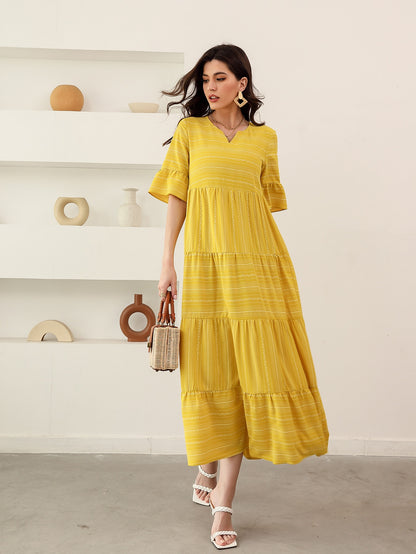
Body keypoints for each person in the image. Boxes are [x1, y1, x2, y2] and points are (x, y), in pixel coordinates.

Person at [148, 43, 329, 550]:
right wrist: (167, 262)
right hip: (207, 267)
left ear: (242, 83)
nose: (210, 87)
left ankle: (223, 503)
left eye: (221, 78)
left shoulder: (265, 140)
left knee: (253, 371)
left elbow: (262, 207)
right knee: (213, 370)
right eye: (205, 79)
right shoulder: (190, 132)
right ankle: (208, 463)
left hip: (257, 268)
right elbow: (177, 197)